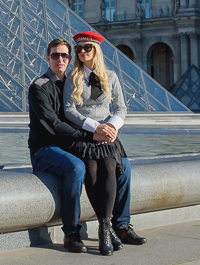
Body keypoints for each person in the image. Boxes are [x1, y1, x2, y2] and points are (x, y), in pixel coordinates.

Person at [28, 37, 146, 255]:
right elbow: (54, 124)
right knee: (77, 168)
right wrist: (92, 133)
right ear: (48, 58)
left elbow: (120, 108)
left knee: (126, 167)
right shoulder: (40, 87)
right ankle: (72, 232)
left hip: (80, 140)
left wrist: (109, 128)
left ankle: (121, 226)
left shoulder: (76, 79)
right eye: (56, 55)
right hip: (47, 146)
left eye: (65, 55)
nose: (61, 59)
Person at [63, 31, 147, 255]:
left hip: (108, 135)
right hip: (86, 135)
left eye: (86, 48)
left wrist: (111, 127)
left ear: (96, 50)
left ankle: (109, 227)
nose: (81, 52)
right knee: (91, 170)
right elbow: (69, 110)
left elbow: (121, 108)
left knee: (112, 167)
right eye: (78, 49)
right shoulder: (72, 78)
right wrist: (94, 128)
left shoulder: (111, 76)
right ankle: (106, 226)